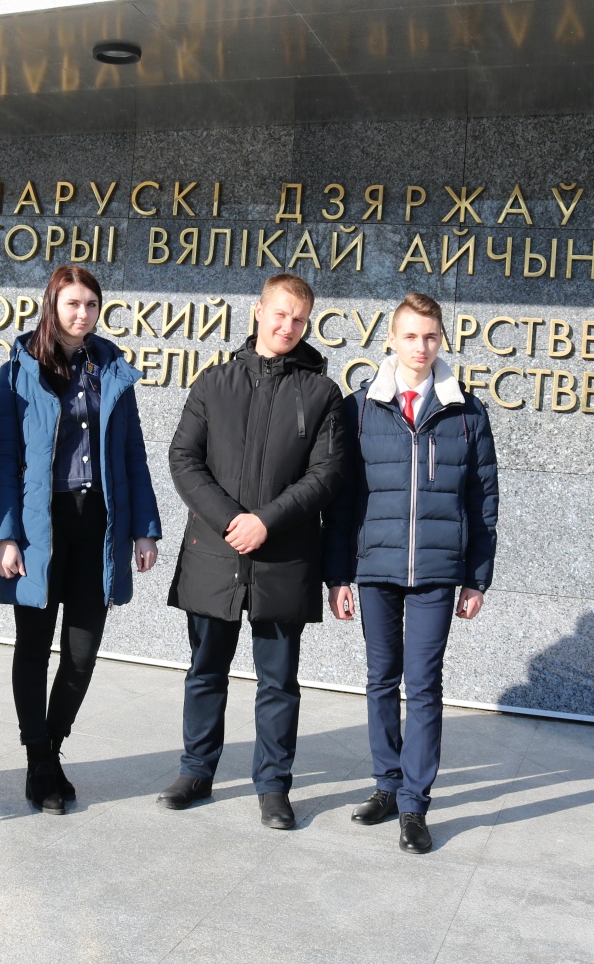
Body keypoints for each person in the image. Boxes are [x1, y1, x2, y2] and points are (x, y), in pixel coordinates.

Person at [159, 272, 344, 830]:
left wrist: (266, 521)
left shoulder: (321, 394)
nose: (288, 326)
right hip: (214, 554)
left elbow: (326, 475)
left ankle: (273, 786)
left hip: (284, 558)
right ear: (259, 311)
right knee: (205, 670)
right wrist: (231, 521)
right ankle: (196, 771)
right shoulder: (214, 383)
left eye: (299, 319)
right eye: (280, 313)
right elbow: (183, 459)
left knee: (279, 681)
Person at [324, 292, 500, 854]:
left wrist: (476, 577)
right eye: (410, 336)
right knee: (381, 678)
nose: (421, 347)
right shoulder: (359, 409)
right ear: (391, 341)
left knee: (423, 684)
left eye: (430, 337)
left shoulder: (467, 412)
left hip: (437, 572)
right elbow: (341, 502)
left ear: (441, 340)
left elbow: (483, 501)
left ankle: (414, 805)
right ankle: (386, 784)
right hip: (375, 567)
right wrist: (338, 576)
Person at [0, 264, 162, 813]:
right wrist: (6, 536)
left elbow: (133, 453)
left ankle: (50, 747)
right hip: (41, 525)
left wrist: (144, 529)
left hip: (98, 526)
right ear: (52, 305)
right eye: (72, 303)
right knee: (33, 647)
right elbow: (4, 459)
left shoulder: (111, 369)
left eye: (91, 304)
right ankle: (39, 760)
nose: (82, 313)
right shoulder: (18, 369)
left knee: (82, 653)